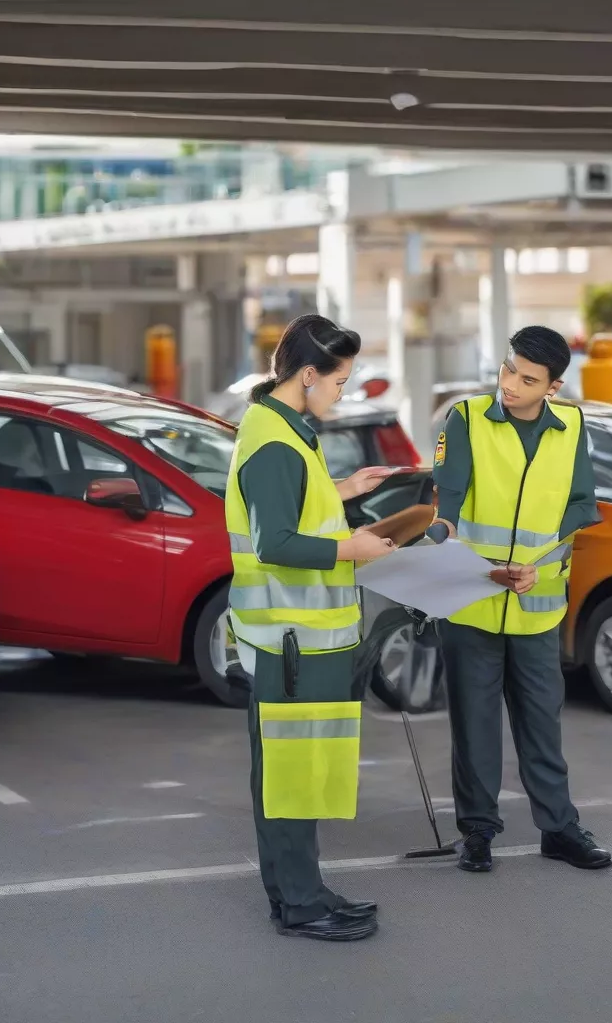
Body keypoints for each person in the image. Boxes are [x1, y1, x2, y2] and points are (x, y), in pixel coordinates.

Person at [225, 314, 397, 941]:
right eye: (340, 383)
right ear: (306, 375)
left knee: (294, 772)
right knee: (293, 775)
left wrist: (343, 489)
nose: (341, 393)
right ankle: (300, 905)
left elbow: (295, 508)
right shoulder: (275, 443)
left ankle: (300, 891)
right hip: (291, 640)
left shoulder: (284, 429)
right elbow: (277, 544)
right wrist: (354, 549)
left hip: (294, 638)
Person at [431, 325, 612, 873]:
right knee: (475, 725)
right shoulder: (464, 420)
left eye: (527, 378)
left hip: (537, 606)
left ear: (552, 388)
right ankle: (478, 832)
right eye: (509, 369)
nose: (510, 383)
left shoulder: (573, 427)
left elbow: (581, 507)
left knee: (542, 724)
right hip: (471, 602)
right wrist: (447, 541)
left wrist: (539, 565)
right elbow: (450, 502)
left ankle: (558, 829)